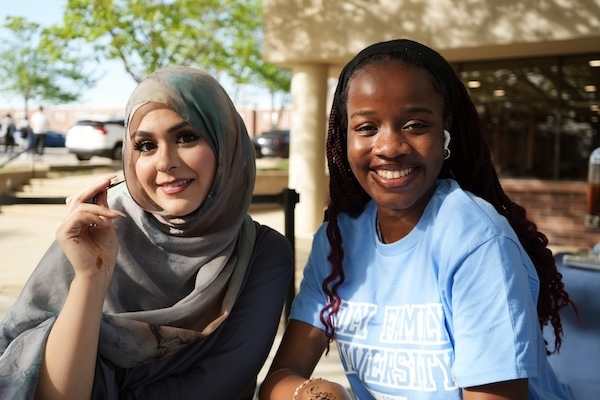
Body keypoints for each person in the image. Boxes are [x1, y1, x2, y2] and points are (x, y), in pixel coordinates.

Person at [259, 39, 574, 400]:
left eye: (415, 124)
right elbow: (279, 379)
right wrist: (315, 393)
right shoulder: (337, 241)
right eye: (366, 127)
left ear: (445, 133)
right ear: (344, 137)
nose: (390, 146)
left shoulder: (477, 240)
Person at [0, 66, 294, 399]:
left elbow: (218, 384)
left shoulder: (261, 253)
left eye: (186, 137)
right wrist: (90, 276)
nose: (164, 162)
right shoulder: (100, 232)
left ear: (225, 143)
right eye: (146, 146)